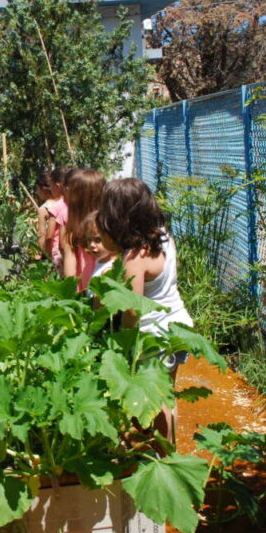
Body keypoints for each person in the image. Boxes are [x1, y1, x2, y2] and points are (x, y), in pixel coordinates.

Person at [96, 177, 193, 442]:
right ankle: (167, 448)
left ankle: (165, 453)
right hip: (177, 323)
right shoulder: (163, 238)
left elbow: (133, 310)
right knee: (166, 393)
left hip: (154, 334)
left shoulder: (134, 259)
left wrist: (126, 346)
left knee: (156, 399)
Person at [60, 168, 106, 292]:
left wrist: (71, 290)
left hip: (94, 278)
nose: (67, 192)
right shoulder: (71, 217)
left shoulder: (105, 221)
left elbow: (68, 255)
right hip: (99, 279)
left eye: (72, 190)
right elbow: (69, 252)